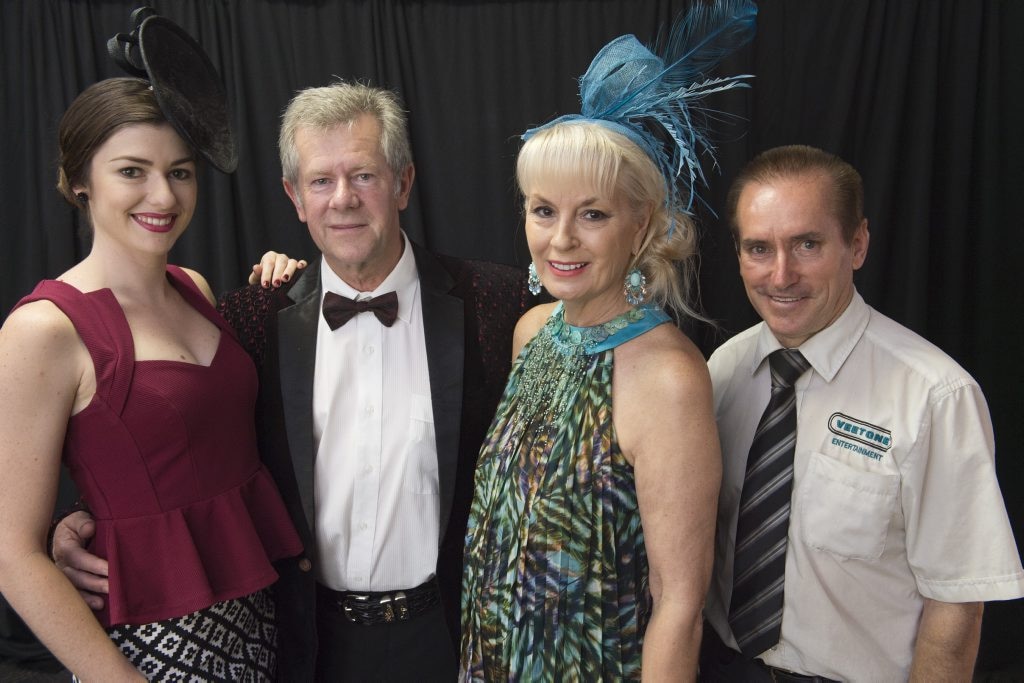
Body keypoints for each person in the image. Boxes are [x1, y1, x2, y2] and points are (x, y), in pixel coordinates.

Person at [56, 79, 538, 681]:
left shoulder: (499, 303)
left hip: (450, 634)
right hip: (305, 641)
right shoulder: (254, 317)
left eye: (363, 175)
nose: (343, 200)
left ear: (404, 183)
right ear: (294, 196)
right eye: (320, 181)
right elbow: (186, 433)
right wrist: (86, 515)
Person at [0, 11, 304, 680]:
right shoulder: (44, 329)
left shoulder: (193, 287)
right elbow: (12, 555)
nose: (162, 194)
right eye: (132, 171)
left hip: (257, 625)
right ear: (81, 181)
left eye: (181, 171)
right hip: (148, 651)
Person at [458, 3, 756, 679]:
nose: (561, 238)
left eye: (592, 213)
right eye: (543, 210)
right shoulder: (532, 334)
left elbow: (679, 605)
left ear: (641, 223)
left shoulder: (668, 377)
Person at [700, 144, 1024, 681]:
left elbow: (957, 605)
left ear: (857, 244)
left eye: (807, 244)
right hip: (719, 666)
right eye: (759, 248)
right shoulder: (725, 370)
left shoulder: (936, 396)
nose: (781, 275)